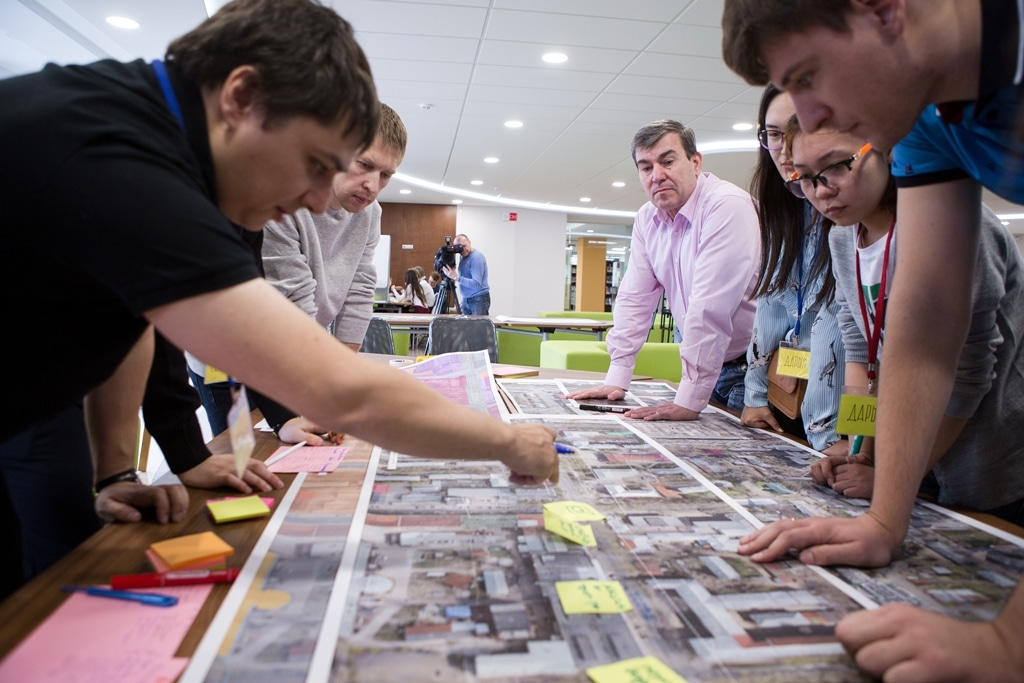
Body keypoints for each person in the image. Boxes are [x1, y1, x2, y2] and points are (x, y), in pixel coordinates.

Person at [0, 0, 558, 596]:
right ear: (240, 97)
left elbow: (133, 319)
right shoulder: (120, 160)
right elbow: (340, 391)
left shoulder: (186, 154)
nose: (320, 201)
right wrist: (508, 441)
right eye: (316, 165)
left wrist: (125, 467)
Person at [722, 1, 1024, 678]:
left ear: (885, 8)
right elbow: (925, 319)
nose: (808, 120)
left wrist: (1010, 642)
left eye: (808, 76)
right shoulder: (922, 114)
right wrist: (885, 517)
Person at [785, 117, 1024, 507]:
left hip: (988, 463)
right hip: (911, 451)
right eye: (806, 178)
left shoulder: (954, 224)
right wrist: (860, 449)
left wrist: (892, 476)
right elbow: (862, 350)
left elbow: (966, 376)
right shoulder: (843, 237)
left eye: (837, 166)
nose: (821, 191)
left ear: (885, 148)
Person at [567, 120, 760, 419]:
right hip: (704, 366)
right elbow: (635, 297)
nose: (657, 176)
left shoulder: (726, 206)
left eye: (667, 161)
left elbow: (709, 309)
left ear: (695, 162)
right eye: (646, 167)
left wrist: (688, 399)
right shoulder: (647, 219)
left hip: (750, 374)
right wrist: (617, 376)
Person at [740, 85, 846, 455]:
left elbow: (840, 327)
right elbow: (774, 303)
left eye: (799, 128)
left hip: (846, 423)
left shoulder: (847, 214)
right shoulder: (784, 206)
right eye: (773, 134)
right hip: (795, 403)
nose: (786, 149)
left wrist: (836, 438)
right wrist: (754, 395)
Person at [443, 234, 490, 315]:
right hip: (468, 299)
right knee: (467, 327)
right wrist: (465, 298)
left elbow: (476, 284)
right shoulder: (463, 256)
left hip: (478, 299)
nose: (464, 250)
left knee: (478, 327)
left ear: (469, 242)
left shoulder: (476, 258)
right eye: (460, 248)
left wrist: (456, 277)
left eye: (465, 246)